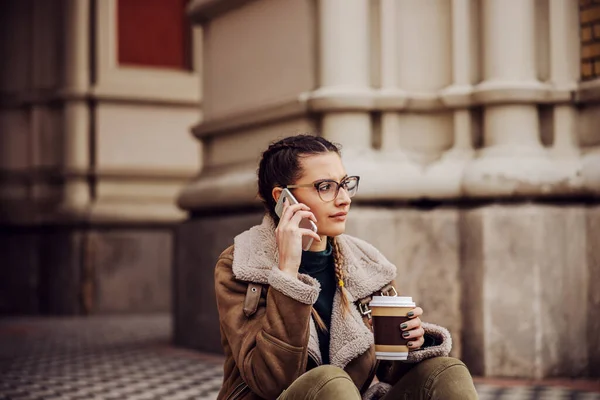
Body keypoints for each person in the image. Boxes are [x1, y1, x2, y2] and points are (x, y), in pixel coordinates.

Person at [214, 135, 478, 400]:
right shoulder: (241, 266)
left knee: (447, 372)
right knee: (331, 381)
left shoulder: (367, 263)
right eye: (325, 187)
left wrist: (412, 342)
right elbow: (271, 381)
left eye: (345, 184)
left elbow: (389, 372)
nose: (343, 199)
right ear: (283, 198)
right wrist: (287, 275)